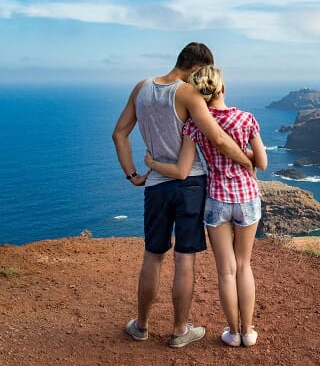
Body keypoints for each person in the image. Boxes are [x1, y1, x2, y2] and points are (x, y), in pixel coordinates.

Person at [112, 42, 254, 349]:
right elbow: (217, 138)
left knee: (153, 255)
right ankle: (179, 331)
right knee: (184, 259)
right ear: (198, 68)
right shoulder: (187, 93)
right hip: (191, 185)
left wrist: (133, 174)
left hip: (156, 184)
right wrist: (247, 161)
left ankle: (141, 325)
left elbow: (119, 133)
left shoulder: (141, 88)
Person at [145, 65, 267, 348]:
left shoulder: (194, 125)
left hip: (217, 201)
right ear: (222, 88)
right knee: (243, 266)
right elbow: (261, 163)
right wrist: (245, 153)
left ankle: (233, 332)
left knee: (226, 270)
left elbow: (182, 170)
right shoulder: (246, 118)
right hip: (247, 198)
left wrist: (151, 164)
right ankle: (248, 332)